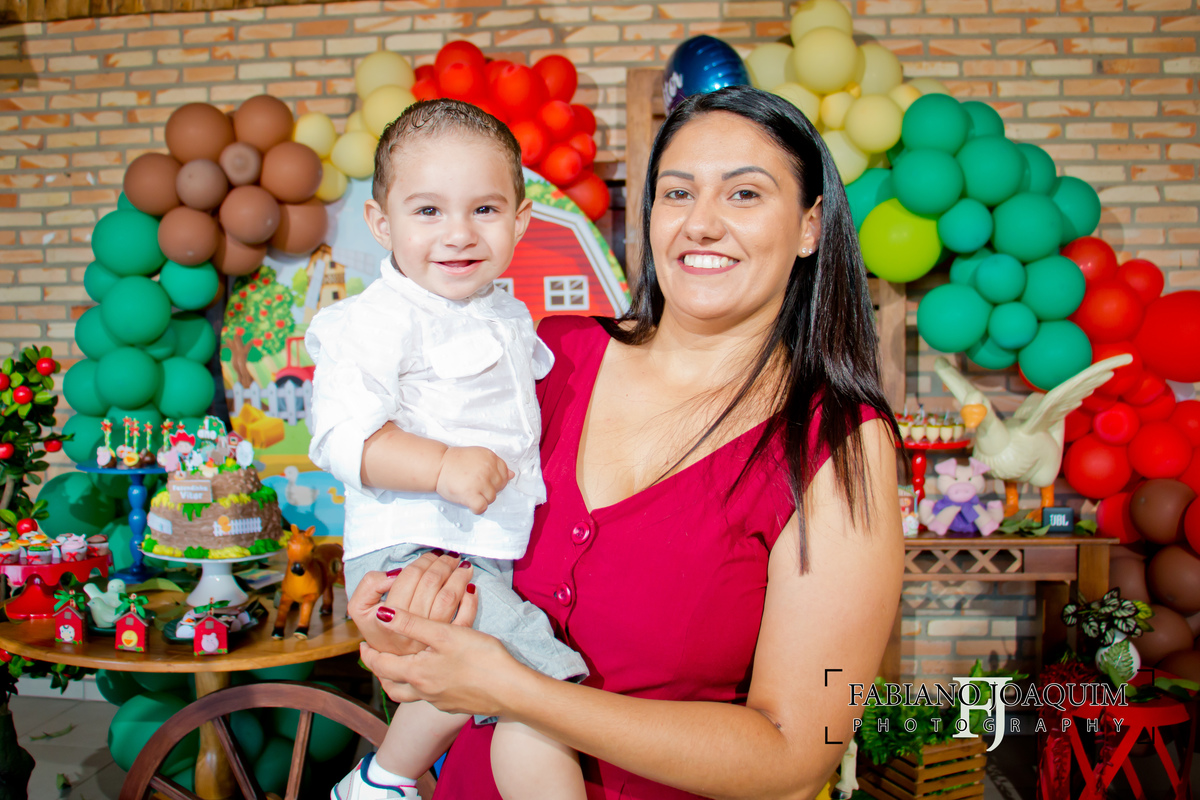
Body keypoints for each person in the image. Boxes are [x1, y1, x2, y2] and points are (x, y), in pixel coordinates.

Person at [349, 84, 906, 800]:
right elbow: (439, 534)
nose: (701, 223)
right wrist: (400, 615)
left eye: (744, 195)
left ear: (810, 226)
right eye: (677, 193)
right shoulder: (546, 359)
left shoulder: (837, 444)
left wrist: (517, 690)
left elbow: (800, 755)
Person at [306, 99, 590, 800]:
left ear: (520, 221)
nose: (459, 233)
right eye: (428, 211)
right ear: (382, 223)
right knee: (537, 686)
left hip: (482, 543)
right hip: (411, 545)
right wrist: (440, 466)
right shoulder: (372, 322)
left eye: (484, 210)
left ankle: (380, 780)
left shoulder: (506, 313)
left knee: (460, 675)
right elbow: (341, 438)